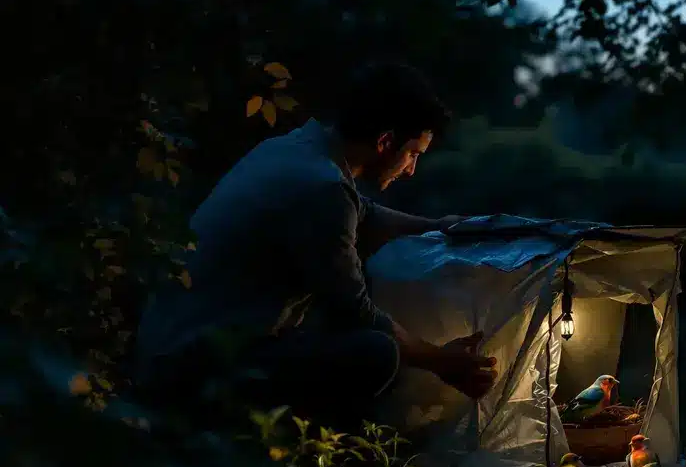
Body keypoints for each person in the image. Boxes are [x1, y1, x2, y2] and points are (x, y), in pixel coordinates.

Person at [134, 61, 497, 431]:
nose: (411, 169)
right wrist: (442, 361)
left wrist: (439, 227)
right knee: (376, 352)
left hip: (171, 344)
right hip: (194, 365)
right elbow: (355, 312)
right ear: (385, 142)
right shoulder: (322, 188)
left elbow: (364, 213)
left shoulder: (294, 150)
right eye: (413, 154)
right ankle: (262, 445)